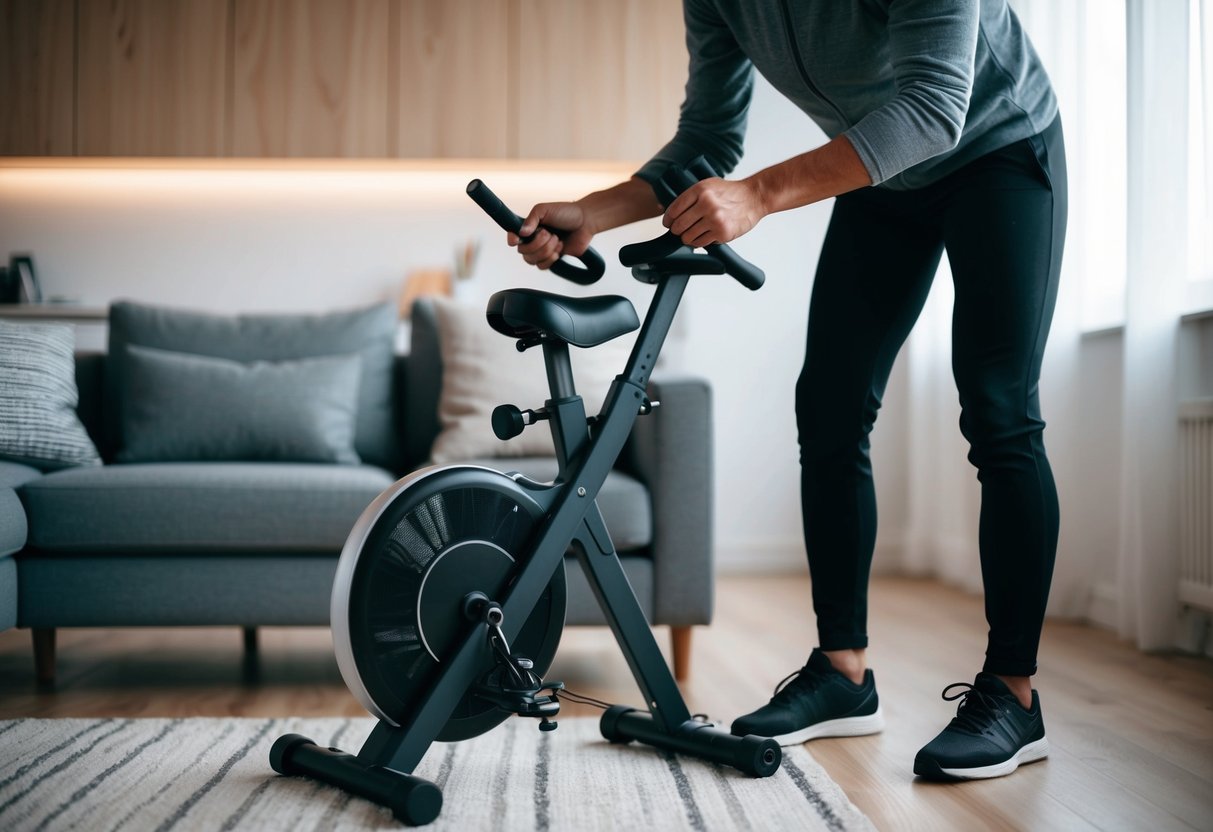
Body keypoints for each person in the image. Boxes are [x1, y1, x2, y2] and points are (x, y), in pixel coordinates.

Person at [508, 0, 1065, 781]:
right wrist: (593, 213)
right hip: (887, 174)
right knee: (829, 408)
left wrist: (761, 195)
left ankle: (1013, 693)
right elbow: (707, 139)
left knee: (998, 409)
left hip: (996, 146)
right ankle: (842, 676)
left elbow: (936, 109)